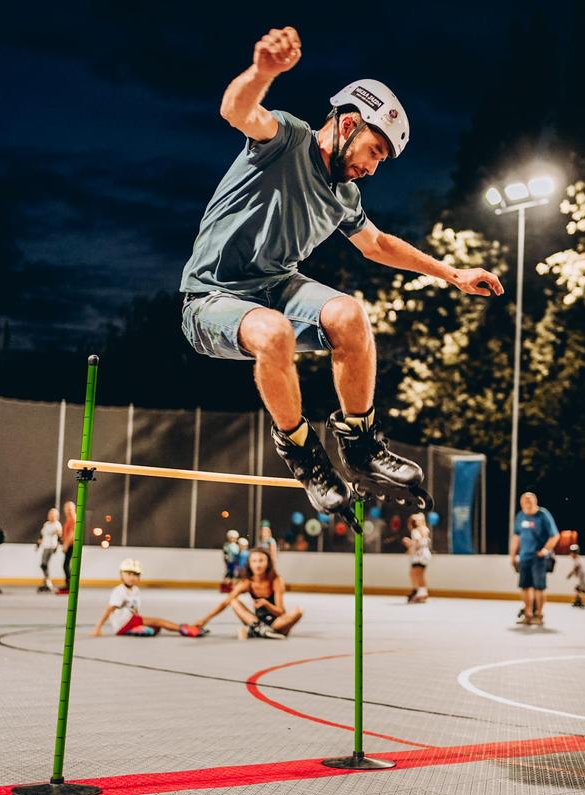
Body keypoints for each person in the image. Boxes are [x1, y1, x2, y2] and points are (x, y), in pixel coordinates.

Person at [179, 26, 503, 528]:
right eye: (374, 151)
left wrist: (451, 273)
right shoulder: (286, 140)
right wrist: (264, 72)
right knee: (274, 331)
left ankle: (360, 442)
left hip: (276, 285)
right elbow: (237, 112)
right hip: (210, 297)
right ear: (349, 123)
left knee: (350, 314)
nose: (375, 168)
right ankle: (303, 452)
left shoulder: (345, 196)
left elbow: (377, 245)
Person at [194, 548, 302, 639]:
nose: (258, 565)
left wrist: (266, 604)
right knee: (233, 601)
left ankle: (260, 631)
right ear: (249, 564)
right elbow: (225, 602)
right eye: (254, 561)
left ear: (268, 563)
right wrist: (205, 619)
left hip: (277, 622)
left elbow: (280, 612)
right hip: (256, 621)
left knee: (298, 612)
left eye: (261, 561)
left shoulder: (276, 581)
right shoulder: (247, 582)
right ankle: (261, 630)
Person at [91, 559, 206, 638]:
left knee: (156, 628)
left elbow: (134, 609)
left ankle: (136, 630)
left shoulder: (135, 590)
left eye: (135, 575)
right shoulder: (119, 591)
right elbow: (109, 609)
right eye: (129, 574)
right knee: (159, 621)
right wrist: (98, 627)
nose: (132, 577)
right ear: (121, 575)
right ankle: (184, 629)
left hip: (131, 620)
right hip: (123, 622)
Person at [509, 492, 560, 626]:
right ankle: (528, 614)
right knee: (525, 586)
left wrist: (545, 550)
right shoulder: (520, 516)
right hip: (524, 557)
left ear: (535, 502)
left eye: (529, 501)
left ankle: (539, 614)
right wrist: (513, 555)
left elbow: (555, 535)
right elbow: (516, 537)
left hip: (538, 558)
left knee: (539, 587)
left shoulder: (543, 515)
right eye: (524, 501)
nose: (526, 504)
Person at [403, 513, 431, 603]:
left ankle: (420, 592)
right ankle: (420, 592)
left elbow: (418, 542)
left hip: (420, 554)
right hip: (424, 554)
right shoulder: (424, 529)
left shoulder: (416, 531)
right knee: (418, 574)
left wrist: (410, 544)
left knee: (417, 574)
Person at [35, 507, 62, 593]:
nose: (51, 517)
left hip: (51, 546)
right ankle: (47, 581)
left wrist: (57, 547)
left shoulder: (57, 524)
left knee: (44, 564)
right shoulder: (46, 524)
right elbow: (42, 535)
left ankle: (48, 582)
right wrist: (38, 544)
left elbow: (59, 536)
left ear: (56, 516)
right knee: (43, 565)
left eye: (53, 515)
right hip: (45, 545)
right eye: (50, 515)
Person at [56, 501, 76, 595]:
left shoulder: (73, 518)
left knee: (66, 565)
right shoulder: (69, 519)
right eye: (66, 508)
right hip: (69, 545)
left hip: (71, 545)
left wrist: (66, 545)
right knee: (66, 565)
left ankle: (69, 586)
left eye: (69, 508)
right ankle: (68, 585)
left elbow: (72, 533)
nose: (67, 510)